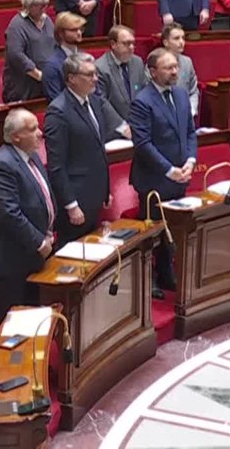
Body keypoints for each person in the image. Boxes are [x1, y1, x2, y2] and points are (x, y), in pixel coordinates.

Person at [129, 48, 197, 297]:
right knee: (154, 231)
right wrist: (169, 170)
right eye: (168, 67)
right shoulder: (142, 101)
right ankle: (150, 279)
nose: (175, 71)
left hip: (180, 175)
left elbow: (190, 131)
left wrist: (190, 160)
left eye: (175, 67)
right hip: (154, 179)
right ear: (153, 71)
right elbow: (143, 144)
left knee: (173, 229)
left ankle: (167, 274)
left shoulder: (180, 94)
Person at [0, 109, 55, 326]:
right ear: (15, 137)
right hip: (12, 257)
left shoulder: (31, 156)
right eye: (32, 130)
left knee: (31, 315)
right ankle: (3, 360)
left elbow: (44, 195)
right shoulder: (2, 165)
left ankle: (30, 359)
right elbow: (9, 214)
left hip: (32, 252)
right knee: (11, 318)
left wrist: (48, 230)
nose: (40, 133)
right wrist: (39, 241)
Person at [46, 54, 129, 246]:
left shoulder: (93, 102)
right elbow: (56, 165)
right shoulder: (58, 111)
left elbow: (98, 149)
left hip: (93, 196)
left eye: (96, 74)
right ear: (72, 78)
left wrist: (105, 189)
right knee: (75, 255)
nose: (95, 79)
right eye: (89, 74)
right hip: (76, 200)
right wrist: (71, 205)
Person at [2, 0, 54, 103]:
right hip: (24, 86)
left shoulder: (48, 21)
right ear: (28, 5)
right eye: (39, 5)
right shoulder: (17, 25)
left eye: (45, 5)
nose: (43, 9)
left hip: (45, 83)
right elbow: (15, 55)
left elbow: (55, 45)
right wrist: (38, 75)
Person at [95, 24, 148, 121]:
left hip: (139, 121)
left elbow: (144, 90)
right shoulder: (100, 68)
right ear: (113, 44)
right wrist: (121, 126)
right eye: (126, 43)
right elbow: (101, 102)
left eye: (133, 43)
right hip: (115, 127)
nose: (132, 47)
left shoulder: (137, 62)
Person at [41, 11, 85, 102]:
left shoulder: (86, 58)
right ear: (61, 33)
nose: (79, 33)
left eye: (81, 29)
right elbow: (56, 101)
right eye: (74, 30)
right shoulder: (52, 66)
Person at [161, 23, 200, 119]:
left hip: (185, 115)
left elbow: (193, 91)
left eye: (183, 38)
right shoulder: (155, 61)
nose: (181, 42)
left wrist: (191, 110)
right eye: (176, 38)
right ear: (166, 42)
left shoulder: (187, 62)